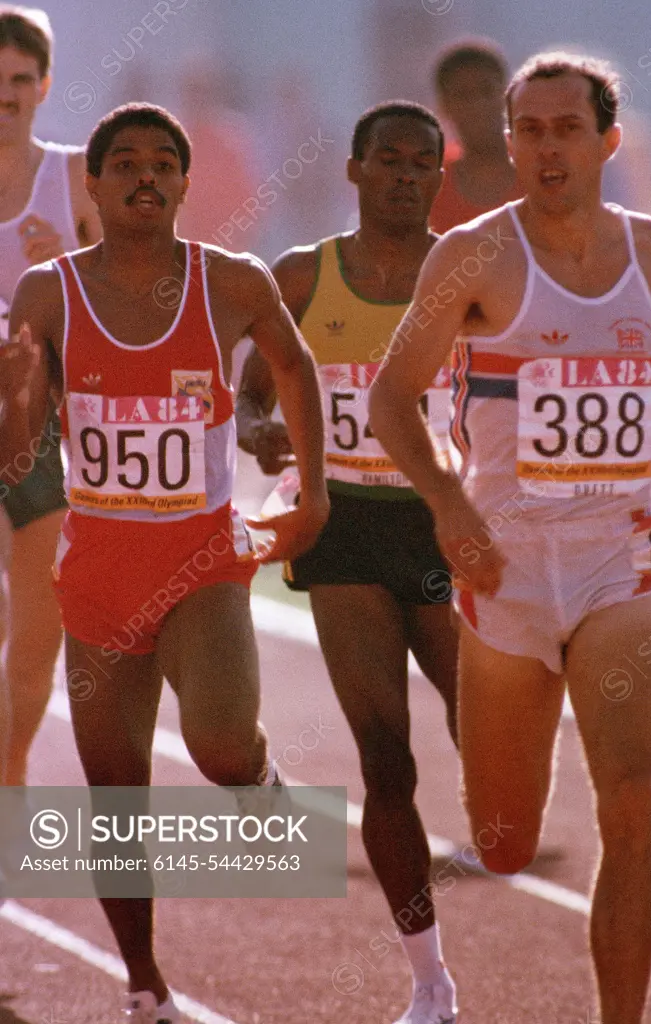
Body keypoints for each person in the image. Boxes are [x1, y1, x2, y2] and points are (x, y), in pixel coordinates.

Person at [368, 53, 651, 1024]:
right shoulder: (471, 253)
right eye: (530, 130)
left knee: (629, 804)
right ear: (509, 142)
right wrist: (452, 508)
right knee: (504, 839)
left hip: (617, 564)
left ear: (608, 141)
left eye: (567, 129)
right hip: (503, 571)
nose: (548, 147)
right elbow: (391, 398)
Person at [1, 102, 328, 1023]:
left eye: (162, 163)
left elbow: (294, 369)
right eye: (125, 163)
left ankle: (258, 781)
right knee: (116, 797)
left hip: (201, 555)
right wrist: (17, 395)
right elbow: (18, 460)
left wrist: (315, 492)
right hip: (98, 572)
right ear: (94, 186)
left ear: (185, 183)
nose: (145, 176)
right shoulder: (46, 294)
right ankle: (145, 984)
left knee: (220, 741)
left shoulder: (232, 281)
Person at [237, 102, 459, 1024]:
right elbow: (252, 397)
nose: (405, 176)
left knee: (486, 743)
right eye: (388, 160)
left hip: (449, 524)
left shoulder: (473, 272)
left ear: (436, 178)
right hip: (345, 529)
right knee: (386, 761)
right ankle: (429, 982)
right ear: (356, 172)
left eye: (421, 163)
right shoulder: (299, 276)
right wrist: (263, 436)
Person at [0, 5, 101, 788]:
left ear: (44, 85)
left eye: (19, 81)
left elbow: (134, 312)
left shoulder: (74, 179)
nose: (5, 95)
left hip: (46, 437)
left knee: (38, 638)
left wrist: (67, 262)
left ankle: (10, 767)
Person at [429, 39, 522, 233]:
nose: (478, 105)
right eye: (463, 95)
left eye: (487, 91)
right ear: (444, 105)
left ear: (509, 96)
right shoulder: (429, 183)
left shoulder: (541, 171)